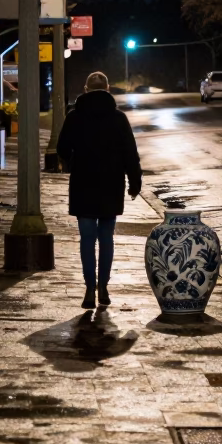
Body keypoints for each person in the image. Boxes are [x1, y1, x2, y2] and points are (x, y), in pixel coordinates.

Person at [57, 70, 142, 310]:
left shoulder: (74, 117)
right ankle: (103, 285)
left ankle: (89, 289)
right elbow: (130, 154)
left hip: (83, 183)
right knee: (106, 237)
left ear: (86, 90)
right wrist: (134, 183)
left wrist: (72, 162)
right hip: (110, 184)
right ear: (108, 90)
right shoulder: (118, 118)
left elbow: (62, 147)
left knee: (86, 238)